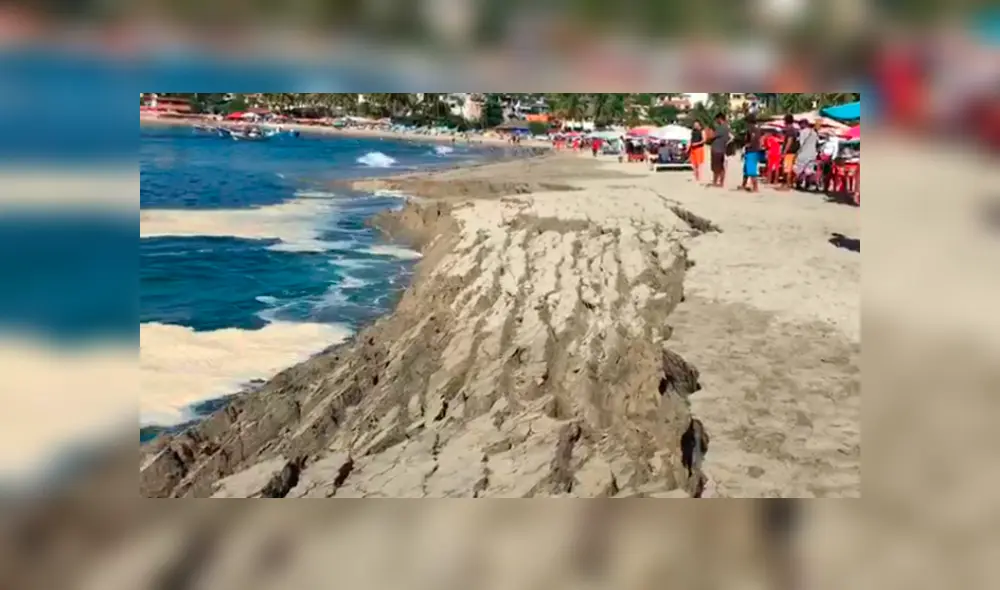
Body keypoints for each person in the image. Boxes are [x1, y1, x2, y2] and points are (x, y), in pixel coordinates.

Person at [793, 120, 820, 190]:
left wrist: (796, 153)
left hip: (803, 154)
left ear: (803, 124)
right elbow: (817, 143)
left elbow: (800, 144)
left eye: (800, 125)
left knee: (800, 170)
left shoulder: (802, 132)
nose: (800, 126)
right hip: (812, 154)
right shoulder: (814, 132)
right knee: (809, 170)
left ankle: (798, 184)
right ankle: (807, 185)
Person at [740, 115, 762, 192]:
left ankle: (755, 187)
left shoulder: (752, 129)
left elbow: (752, 138)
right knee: (746, 169)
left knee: (751, 170)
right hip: (751, 151)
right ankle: (743, 185)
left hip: (752, 151)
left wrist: (747, 145)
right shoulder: (756, 129)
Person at [778, 114, 799, 191]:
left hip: (789, 152)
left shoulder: (790, 130)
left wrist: (784, 151)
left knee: (787, 169)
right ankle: (787, 184)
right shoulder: (793, 129)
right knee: (788, 168)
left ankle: (787, 185)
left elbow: (789, 142)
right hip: (792, 152)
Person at [710, 113, 731, 187]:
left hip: (717, 149)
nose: (716, 121)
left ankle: (715, 182)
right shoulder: (727, 128)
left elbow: (711, 136)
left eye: (717, 119)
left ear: (720, 119)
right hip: (722, 149)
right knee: (721, 167)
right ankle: (721, 183)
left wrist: (710, 131)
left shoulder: (721, 127)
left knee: (716, 167)